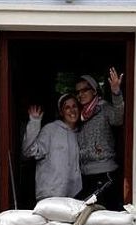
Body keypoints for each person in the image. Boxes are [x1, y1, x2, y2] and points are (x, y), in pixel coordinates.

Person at [75, 67, 124, 209]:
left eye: (84, 90)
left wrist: (116, 93)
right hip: (86, 174)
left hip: (105, 172)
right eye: (78, 92)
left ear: (94, 91)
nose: (80, 94)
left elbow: (118, 119)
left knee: (101, 212)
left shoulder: (104, 108)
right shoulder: (80, 115)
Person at [21, 94, 82, 202]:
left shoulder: (80, 133)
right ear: (61, 112)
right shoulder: (50, 130)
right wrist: (34, 122)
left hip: (72, 198)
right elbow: (28, 151)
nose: (72, 110)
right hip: (50, 196)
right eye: (67, 107)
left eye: (74, 106)